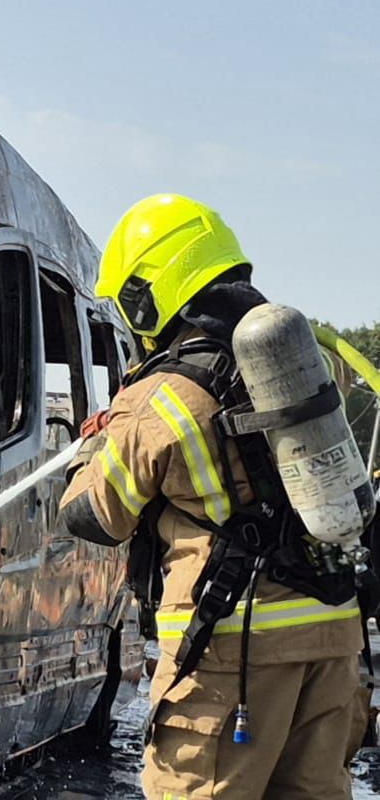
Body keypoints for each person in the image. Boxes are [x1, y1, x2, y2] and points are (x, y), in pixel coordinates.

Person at [60, 193, 366, 799]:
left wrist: (90, 450)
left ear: (151, 292)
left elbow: (92, 516)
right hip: (333, 636)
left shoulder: (163, 397)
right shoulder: (306, 366)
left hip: (232, 652)